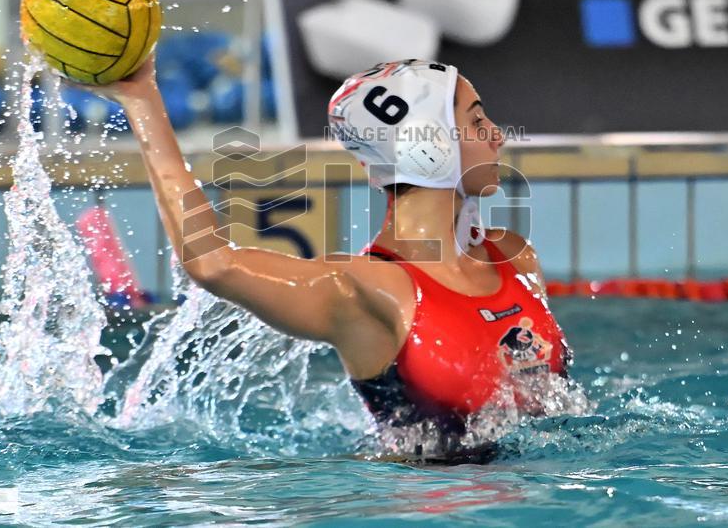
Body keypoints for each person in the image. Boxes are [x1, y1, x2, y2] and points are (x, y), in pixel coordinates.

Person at [80, 58, 572, 463]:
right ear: (430, 144)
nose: (497, 136)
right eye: (477, 121)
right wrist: (143, 99)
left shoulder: (513, 256)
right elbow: (213, 263)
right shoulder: (365, 292)